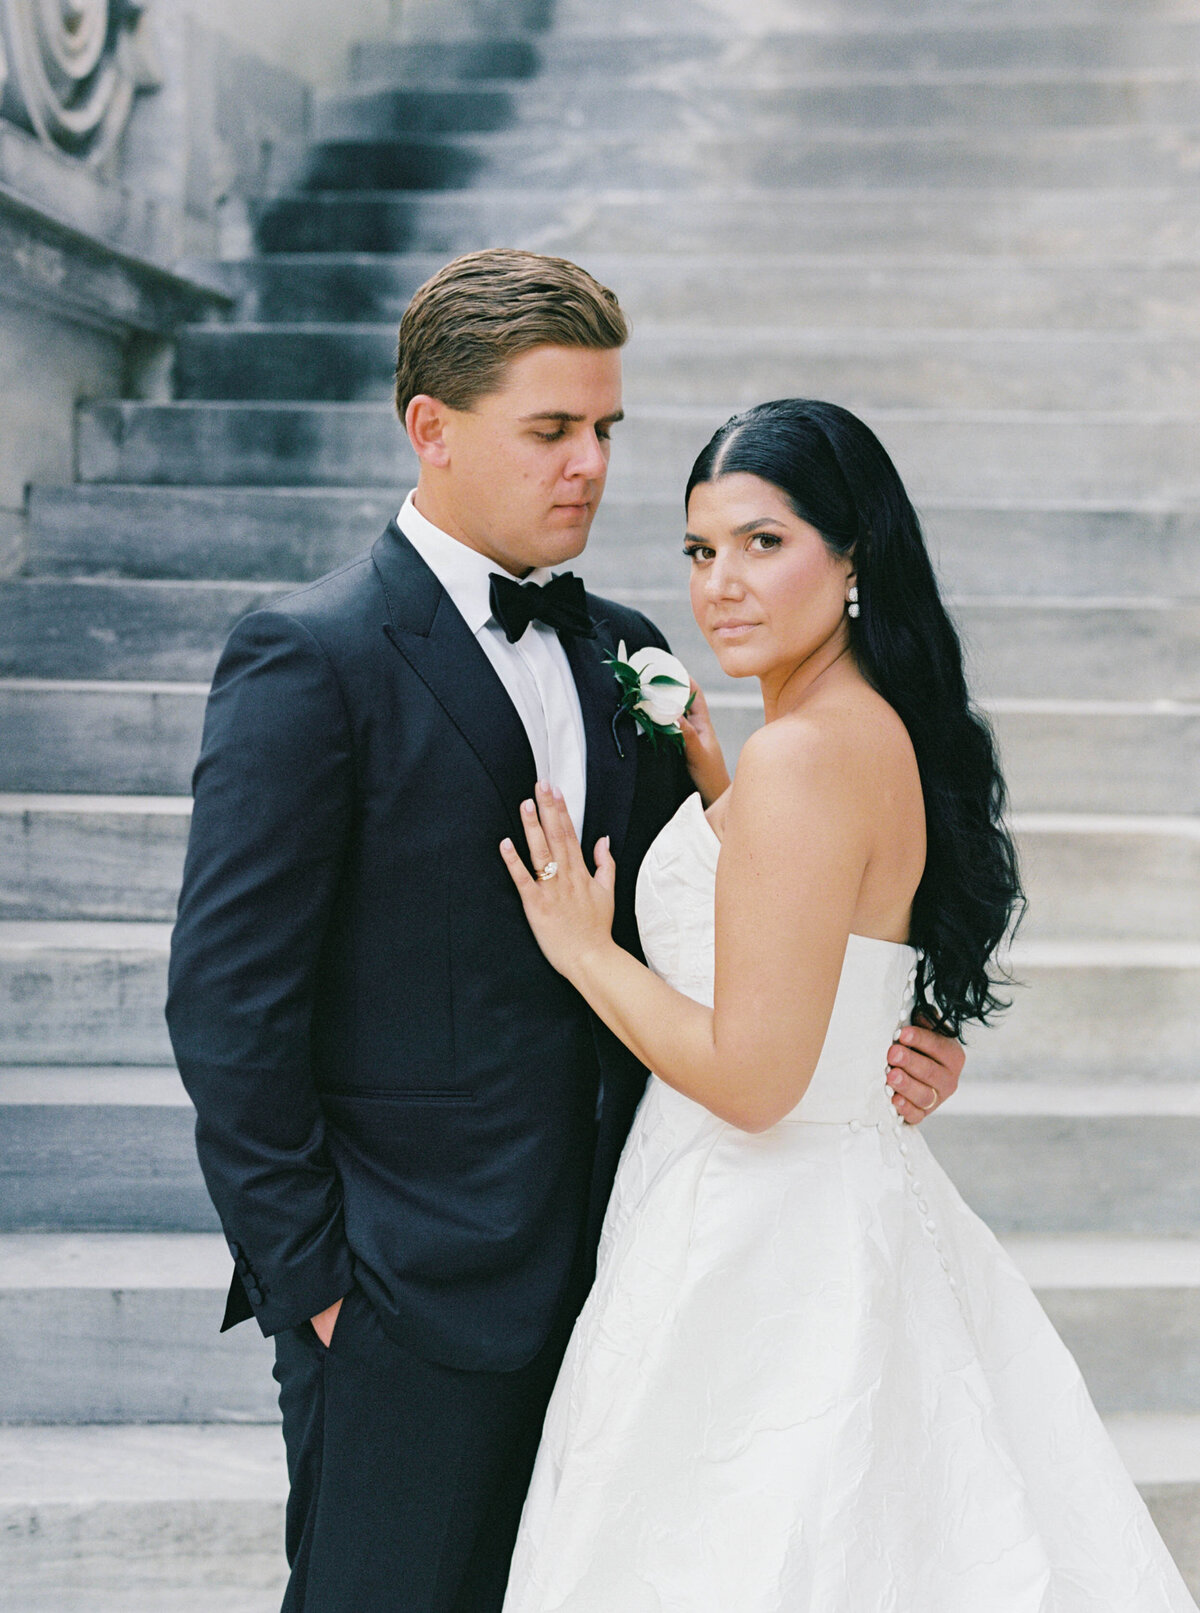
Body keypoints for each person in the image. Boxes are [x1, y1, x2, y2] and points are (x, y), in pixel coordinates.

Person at [165, 255, 967, 1613]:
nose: (591, 466)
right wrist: (324, 1288)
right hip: (399, 1301)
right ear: (434, 428)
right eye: (552, 432)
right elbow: (227, 1007)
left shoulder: (631, 651)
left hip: (623, 1279)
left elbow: (735, 914)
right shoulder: (311, 658)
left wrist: (893, 1023)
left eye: (605, 430)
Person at [499, 399, 1198, 1613]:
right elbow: (816, 930)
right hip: (828, 1199)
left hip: (756, 1232)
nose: (721, 584)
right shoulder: (861, 732)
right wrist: (718, 781)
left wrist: (583, 948)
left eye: (764, 544)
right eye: (700, 551)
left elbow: (757, 1078)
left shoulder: (807, 754)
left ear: (855, 556)